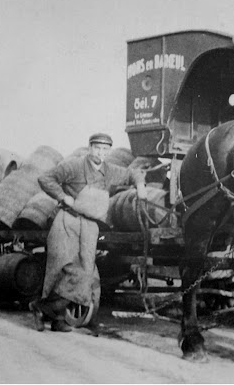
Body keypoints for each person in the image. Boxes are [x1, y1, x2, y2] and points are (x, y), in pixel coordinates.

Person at [29, 133, 146, 334]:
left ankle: (45, 310)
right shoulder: (74, 166)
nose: (100, 153)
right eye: (97, 148)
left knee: (84, 273)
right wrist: (63, 196)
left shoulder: (110, 171)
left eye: (105, 149)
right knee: (63, 267)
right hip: (69, 220)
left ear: (108, 151)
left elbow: (132, 174)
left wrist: (140, 185)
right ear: (90, 148)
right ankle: (52, 315)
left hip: (91, 226)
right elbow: (45, 178)